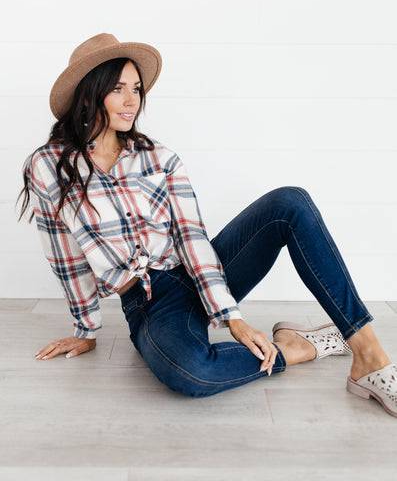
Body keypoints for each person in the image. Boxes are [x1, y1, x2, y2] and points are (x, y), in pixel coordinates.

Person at [18, 33, 397, 417]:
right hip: (149, 303)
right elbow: (63, 254)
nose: (133, 100)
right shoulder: (49, 166)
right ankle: (298, 347)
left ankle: (369, 356)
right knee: (192, 373)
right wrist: (87, 329)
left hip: (200, 269)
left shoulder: (158, 158)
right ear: (88, 94)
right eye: (118, 89)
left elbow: (190, 236)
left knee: (290, 203)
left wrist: (230, 316)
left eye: (136, 88)